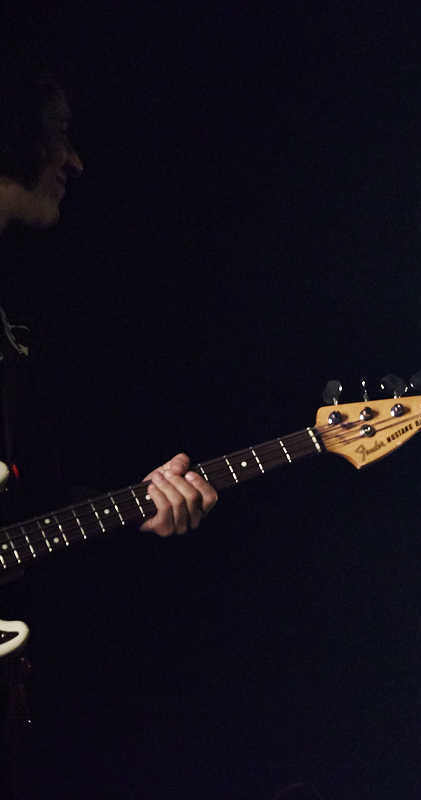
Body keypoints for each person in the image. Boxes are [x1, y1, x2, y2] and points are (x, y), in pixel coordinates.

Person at [0, 48, 217, 799]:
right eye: (59, 133)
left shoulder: (14, 332)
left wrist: (138, 506)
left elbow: (31, 505)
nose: (77, 161)